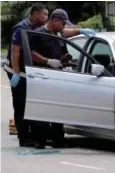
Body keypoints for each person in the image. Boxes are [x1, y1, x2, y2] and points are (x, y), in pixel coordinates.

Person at [29, 8, 96, 148]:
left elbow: (64, 46)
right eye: (62, 23)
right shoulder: (38, 34)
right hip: (41, 76)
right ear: (55, 21)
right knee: (42, 109)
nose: (64, 27)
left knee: (57, 109)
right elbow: (31, 52)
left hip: (57, 77)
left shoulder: (58, 34)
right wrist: (47, 61)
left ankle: (58, 139)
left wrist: (66, 59)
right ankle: (40, 140)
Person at [3, 3, 48, 147]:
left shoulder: (36, 28)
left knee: (29, 103)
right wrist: (16, 73)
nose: (46, 17)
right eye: (45, 14)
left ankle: (31, 135)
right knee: (21, 104)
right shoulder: (21, 28)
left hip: (28, 72)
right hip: (17, 71)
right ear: (36, 14)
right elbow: (15, 51)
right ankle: (23, 137)